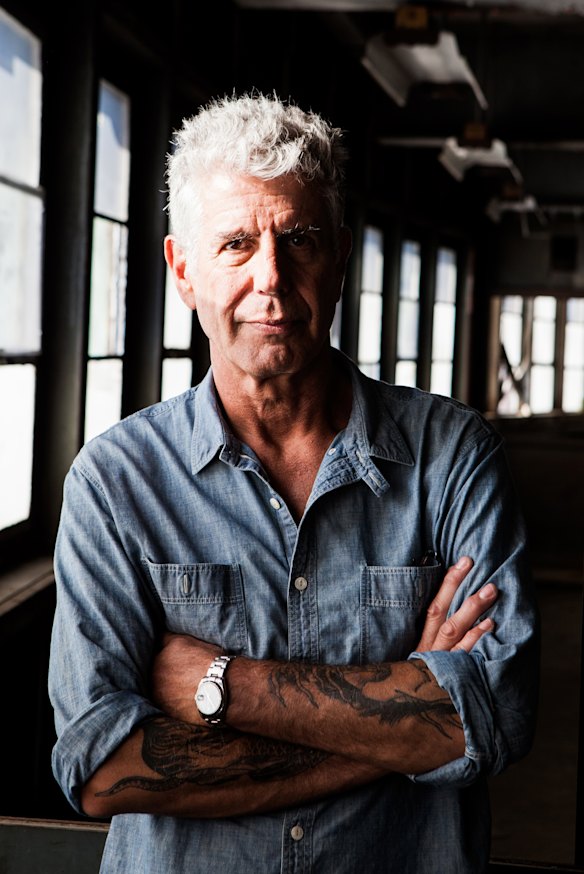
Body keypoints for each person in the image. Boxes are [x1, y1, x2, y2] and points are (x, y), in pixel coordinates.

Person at [49, 92, 539, 874]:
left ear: (340, 257)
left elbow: (498, 713)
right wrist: (398, 727)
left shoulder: (452, 455)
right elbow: (103, 767)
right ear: (183, 270)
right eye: (236, 244)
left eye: (299, 239)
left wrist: (224, 686)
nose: (271, 277)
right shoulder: (115, 483)